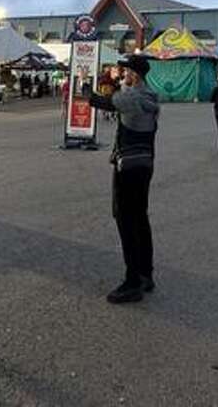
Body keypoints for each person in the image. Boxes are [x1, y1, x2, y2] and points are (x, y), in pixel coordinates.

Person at [84, 53, 159, 304]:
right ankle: (146, 274)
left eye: (126, 71)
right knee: (140, 218)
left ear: (135, 75)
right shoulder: (149, 96)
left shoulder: (132, 97)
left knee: (126, 219)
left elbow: (101, 101)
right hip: (145, 164)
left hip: (127, 166)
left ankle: (132, 282)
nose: (123, 74)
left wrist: (84, 85)